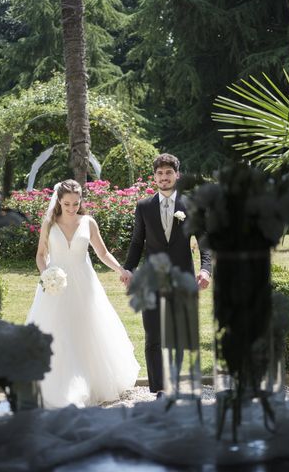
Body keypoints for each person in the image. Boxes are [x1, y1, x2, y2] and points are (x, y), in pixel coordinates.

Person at [26, 179, 140, 408]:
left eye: (76, 204)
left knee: (85, 330)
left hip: (84, 285)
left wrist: (121, 270)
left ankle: (89, 382)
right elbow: (40, 255)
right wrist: (46, 274)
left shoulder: (88, 222)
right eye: (67, 203)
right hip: (55, 286)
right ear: (59, 200)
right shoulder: (49, 223)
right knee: (58, 332)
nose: (71, 208)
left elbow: (102, 252)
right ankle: (58, 384)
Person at [121, 153, 212, 397]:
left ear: (177, 175)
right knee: (152, 333)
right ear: (155, 177)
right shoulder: (143, 206)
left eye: (168, 173)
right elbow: (137, 242)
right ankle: (159, 387)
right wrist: (128, 268)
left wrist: (205, 269)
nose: (164, 177)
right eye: (160, 173)